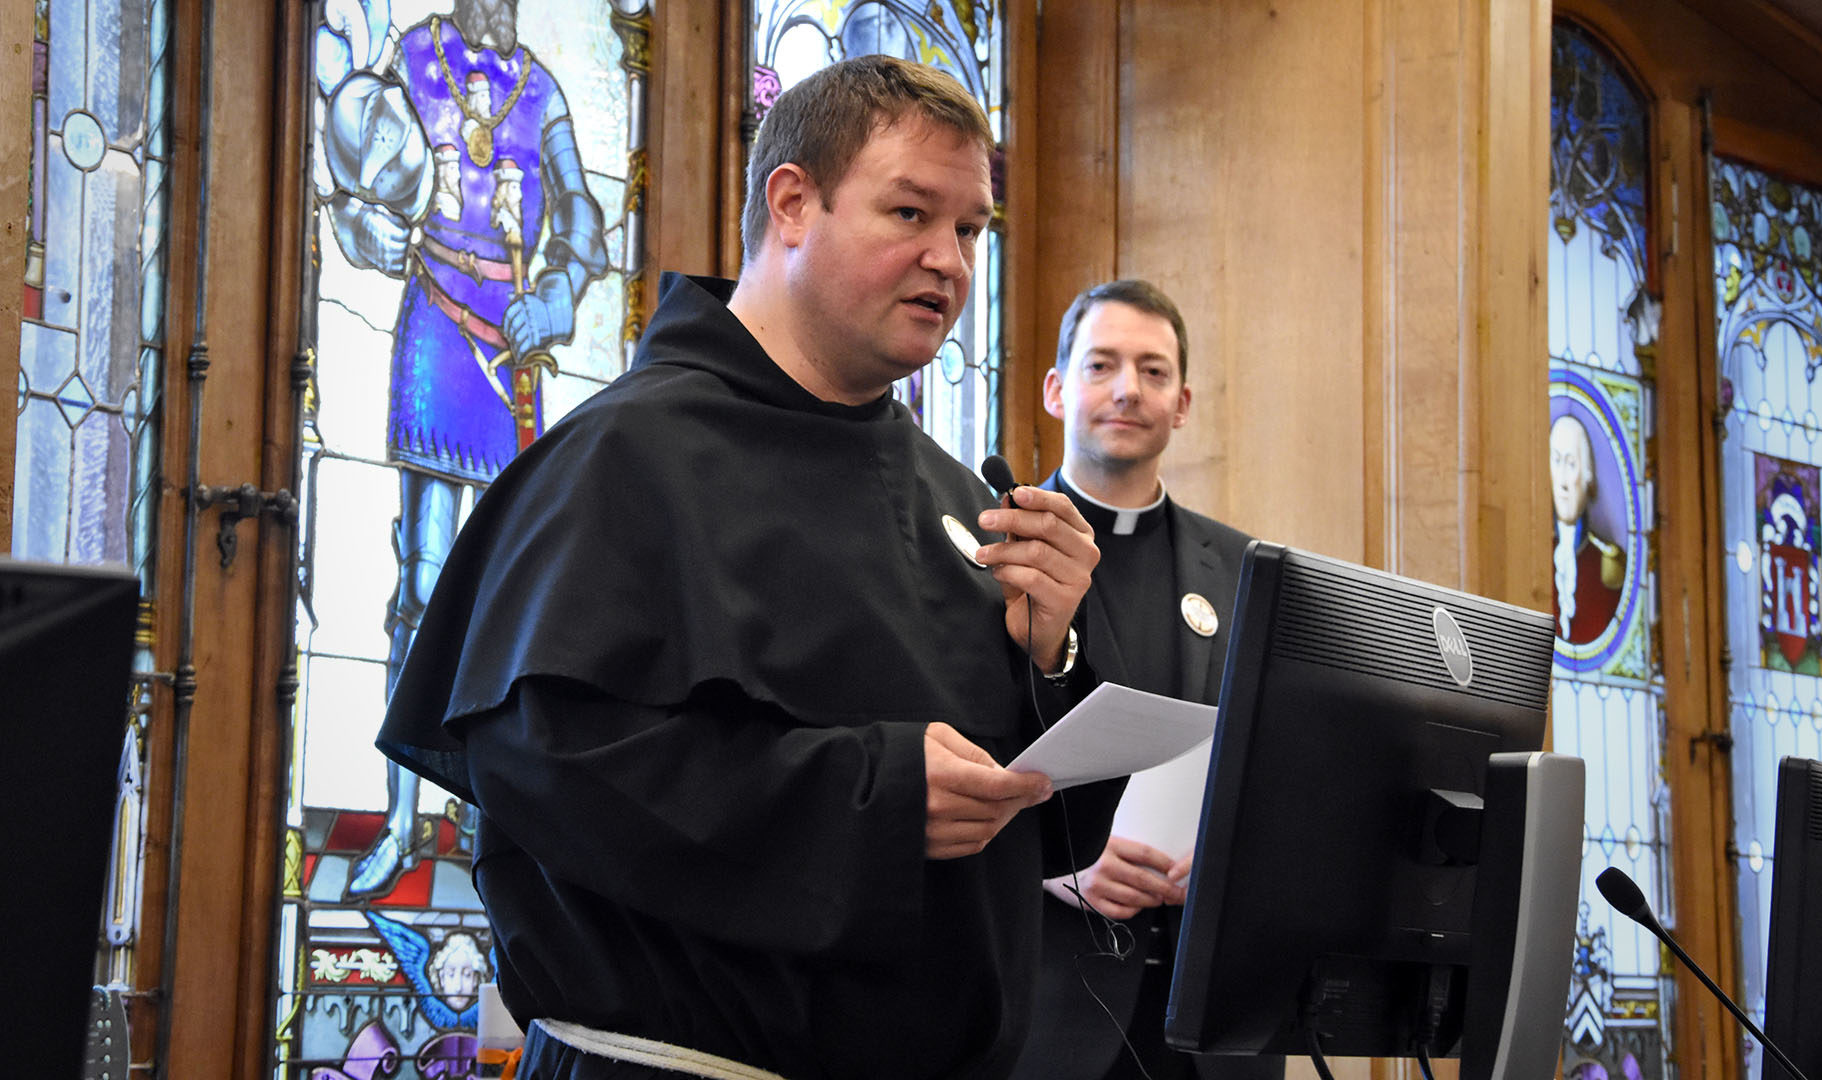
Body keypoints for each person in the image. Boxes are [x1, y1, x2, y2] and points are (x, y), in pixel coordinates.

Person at [376, 55, 1121, 1079]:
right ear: (793, 204)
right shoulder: (628, 454)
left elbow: (1051, 842)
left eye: (971, 229)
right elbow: (550, 761)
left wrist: (1055, 659)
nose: (948, 260)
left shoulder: (962, 499)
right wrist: (873, 796)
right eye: (910, 213)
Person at [316, 0, 612, 897]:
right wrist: (368, 221)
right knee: (420, 583)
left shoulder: (543, 92)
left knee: (507, 602)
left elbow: (585, 225)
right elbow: (368, 184)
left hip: (508, 347)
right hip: (437, 335)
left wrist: (556, 299)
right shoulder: (413, 58)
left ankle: (492, 828)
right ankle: (403, 822)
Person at [1011, 281, 1278, 1080]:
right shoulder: (996, 547)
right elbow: (956, 750)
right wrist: (1062, 864)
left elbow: (1287, 765)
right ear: (1058, 390)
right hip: (1047, 1004)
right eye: (1103, 365)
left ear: (1183, 403)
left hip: (1213, 1013)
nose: (1129, 388)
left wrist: (1240, 856)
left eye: (1154, 371)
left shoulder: (1249, 570)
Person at [1548, 413, 1624, 645]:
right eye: (1556, 461)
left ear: (1588, 474)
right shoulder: (1530, 557)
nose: (1562, 481)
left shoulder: (1610, 563)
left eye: (1571, 464)